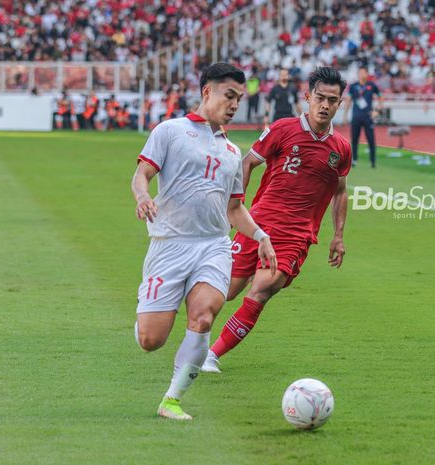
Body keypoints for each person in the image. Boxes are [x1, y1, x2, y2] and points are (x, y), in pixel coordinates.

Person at [131, 62, 277, 420]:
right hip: (170, 244)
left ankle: (172, 399)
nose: (234, 104)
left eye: (239, 99)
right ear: (207, 91)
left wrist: (260, 235)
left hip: (213, 245)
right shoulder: (170, 131)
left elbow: (234, 208)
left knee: (204, 314)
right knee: (151, 340)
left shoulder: (231, 152)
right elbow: (141, 174)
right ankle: (147, 313)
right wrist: (142, 197)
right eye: (229, 95)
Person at [202, 67, 351, 374]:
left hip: (296, 235)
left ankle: (210, 356)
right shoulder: (283, 129)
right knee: (225, 290)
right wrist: (235, 209)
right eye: (320, 98)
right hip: (258, 225)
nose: (325, 105)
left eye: (332, 101)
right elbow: (248, 163)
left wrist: (338, 235)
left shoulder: (341, 148)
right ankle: (194, 338)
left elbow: (340, 192)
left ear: (340, 104)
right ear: (307, 97)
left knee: (262, 289)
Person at [342, 67, 382, 168]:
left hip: (368, 117)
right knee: (354, 140)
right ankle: (354, 160)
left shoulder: (371, 85)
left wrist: (377, 110)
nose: (361, 74)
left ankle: (373, 161)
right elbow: (348, 100)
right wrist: (345, 115)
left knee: (371, 140)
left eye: (363, 72)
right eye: (360, 72)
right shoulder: (353, 86)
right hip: (356, 117)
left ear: (367, 74)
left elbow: (381, 97)